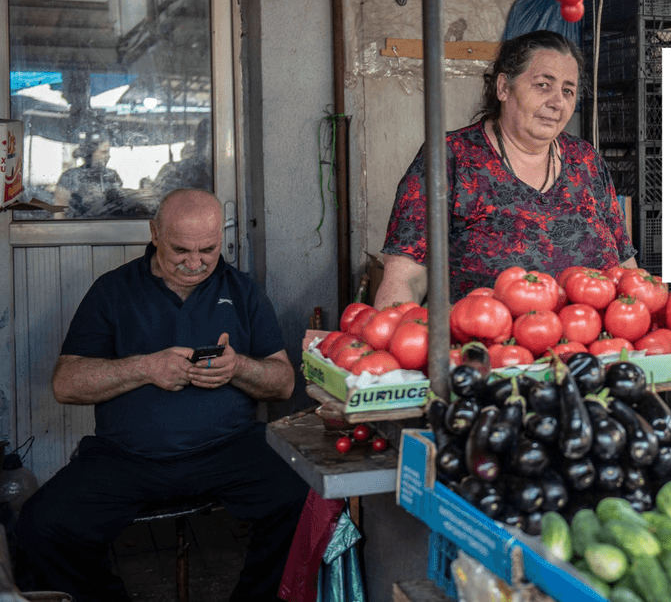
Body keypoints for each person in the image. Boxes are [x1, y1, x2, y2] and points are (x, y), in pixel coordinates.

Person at [15, 188, 308, 602]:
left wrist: (238, 367)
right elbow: (66, 383)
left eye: (207, 249)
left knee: (304, 497)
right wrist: (144, 367)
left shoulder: (243, 291)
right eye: (181, 250)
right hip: (126, 457)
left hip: (229, 450)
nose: (195, 262)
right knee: (40, 526)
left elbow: (284, 382)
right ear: (154, 233)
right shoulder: (112, 291)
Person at [375, 29, 638, 308]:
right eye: (543, 85)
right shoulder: (450, 159)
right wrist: (400, 332)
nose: (557, 102)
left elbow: (626, 266)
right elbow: (405, 279)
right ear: (503, 87)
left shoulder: (587, 161)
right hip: (485, 345)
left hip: (599, 345)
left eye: (568, 90)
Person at [52, 131, 123, 218]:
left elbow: (120, 206)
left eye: (108, 152)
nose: (108, 156)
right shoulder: (70, 176)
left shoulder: (112, 176)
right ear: (90, 154)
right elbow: (59, 214)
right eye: (104, 152)